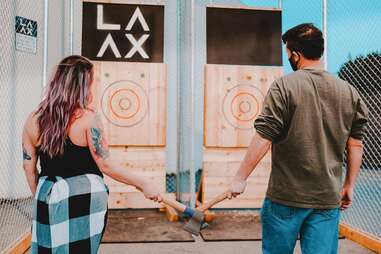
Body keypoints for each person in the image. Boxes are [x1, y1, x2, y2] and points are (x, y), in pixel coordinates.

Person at [228, 23, 368, 254]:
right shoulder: (349, 91)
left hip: (286, 197)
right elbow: (356, 143)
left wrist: (240, 178)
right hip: (327, 197)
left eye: (288, 54)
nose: (289, 59)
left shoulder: (284, 86)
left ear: (296, 54)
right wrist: (349, 186)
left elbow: (265, 136)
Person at [22, 55, 162, 253]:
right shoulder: (89, 119)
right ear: (82, 86)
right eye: (92, 82)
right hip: (84, 194)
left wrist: (44, 199)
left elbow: (28, 167)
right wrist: (144, 183)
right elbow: (106, 165)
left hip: (47, 193)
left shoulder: (33, 119)